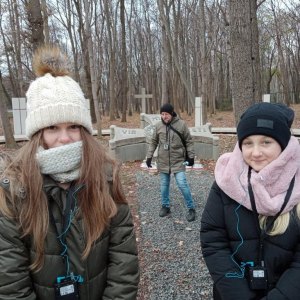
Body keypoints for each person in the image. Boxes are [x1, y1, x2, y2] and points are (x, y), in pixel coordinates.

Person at [0, 46, 139, 299]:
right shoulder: (14, 188)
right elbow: (10, 276)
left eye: (73, 126)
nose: (64, 138)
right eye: (52, 127)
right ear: (37, 133)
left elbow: (123, 259)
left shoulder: (105, 176)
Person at [200, 102, 300, 300]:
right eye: (248, 143)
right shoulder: (226, 182)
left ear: (284, 144)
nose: (255, 152)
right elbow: (213, 240)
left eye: (266, 142)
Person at [146, 103, 196, 222]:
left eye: (166, 114)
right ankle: (165, 206)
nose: (164, 116)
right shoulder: (158, 126)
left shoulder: (181, 125)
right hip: (163, 161)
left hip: (178, 160)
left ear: (172, 114)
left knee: (182, 183)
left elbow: (189, 141)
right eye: (162, 114)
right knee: (164, 185)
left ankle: (191, 208)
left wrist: (191, 157)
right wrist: (149, 156)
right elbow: (153, 142)